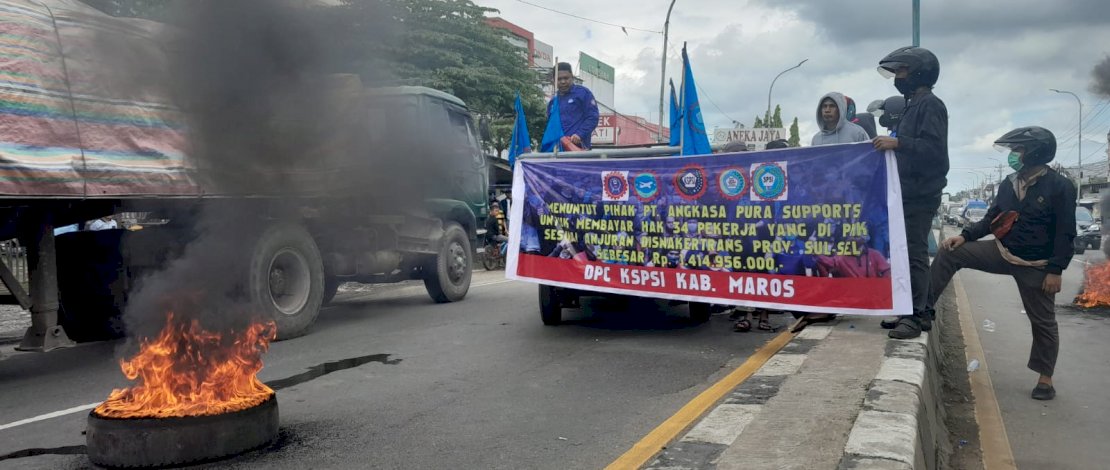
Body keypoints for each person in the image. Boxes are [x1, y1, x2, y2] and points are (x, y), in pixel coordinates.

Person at [926, 126, 1074, 400]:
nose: (1014, 155)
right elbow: (991, 219)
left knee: (1043, 322)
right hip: (1002, 251)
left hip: (1037, 265)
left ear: (1035, 152)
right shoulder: (1009, 183)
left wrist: (1055, 270)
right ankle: (923, 310)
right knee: (950, 252)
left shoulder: (1060, 186)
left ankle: (1045, 378)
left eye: (1018, 150)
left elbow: (1066, 232)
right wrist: (964, 236)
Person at [872, 46, 949, 339]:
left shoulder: (930, 105)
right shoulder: (912, 105)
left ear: (919, 72)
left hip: (921, 193)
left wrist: (899, 143)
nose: (898, 77)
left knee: (915, 253)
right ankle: (922, 311)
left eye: (902, 70)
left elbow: (935, 150)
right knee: (908, 252)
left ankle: (914, 317)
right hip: (907, 192)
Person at [548, 62, 600, 150]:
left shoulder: (583, 93)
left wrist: (580, 134)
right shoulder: (553, 101)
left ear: (572, 77)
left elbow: (593, 117)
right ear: (554, 80)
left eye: (566, 78)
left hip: (578, 149)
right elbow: (551, 125)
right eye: (559, 79)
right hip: (557, 150)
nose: (563, 82)